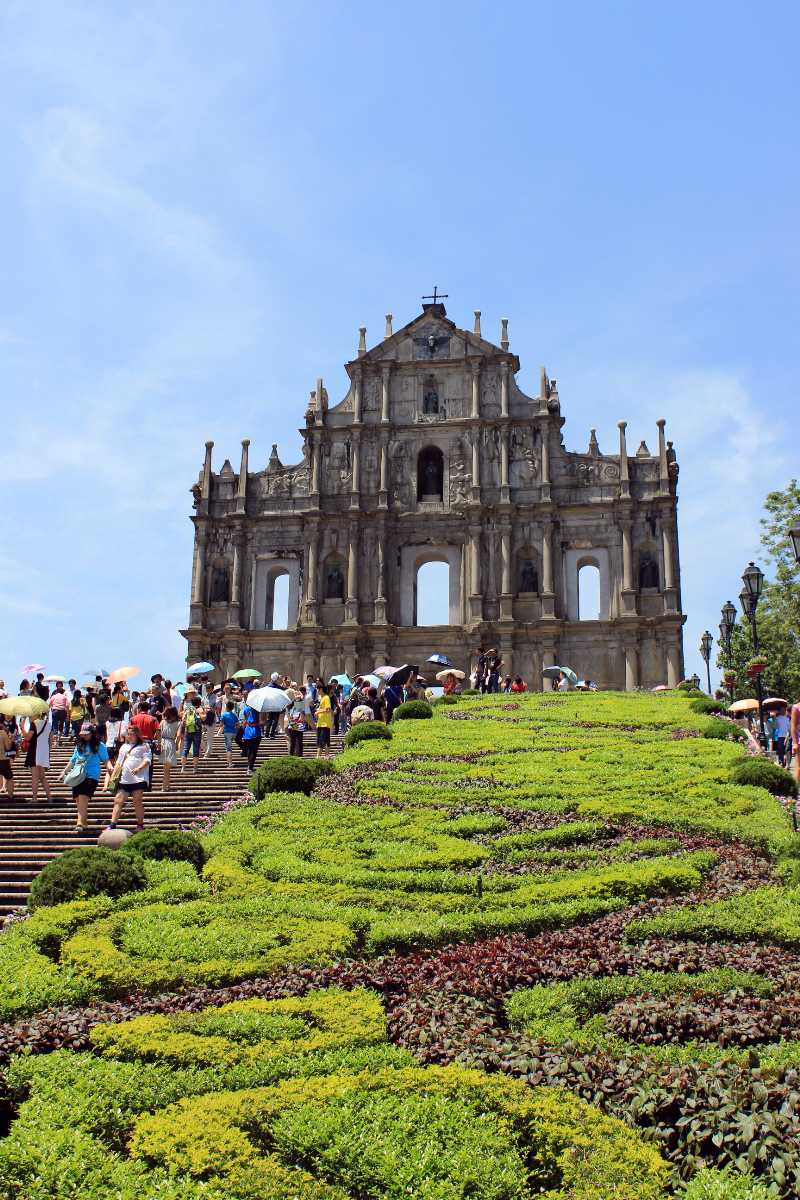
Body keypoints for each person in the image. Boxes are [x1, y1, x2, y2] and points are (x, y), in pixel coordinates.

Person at [62, 723, 109, 832]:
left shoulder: (99, 745)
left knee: (83, 797)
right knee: (78, 799)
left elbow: (106, 760)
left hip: (92, 775)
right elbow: (73, 760)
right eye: (83, 734)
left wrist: (110, 769)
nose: (84, 736)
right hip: (78, 775)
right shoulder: (79, 745)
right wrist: (64, 771)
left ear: (92, 733)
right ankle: (84, 822)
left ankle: (79, 822)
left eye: (86, 734)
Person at [107, 727, 150, 831]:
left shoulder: (144, 746)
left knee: (137, 801)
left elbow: (147, 760)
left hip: (139, 779)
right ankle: (112, 825)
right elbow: (119, 762)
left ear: (137, 735)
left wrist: (139, 768)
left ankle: (140, 824)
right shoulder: (123, 747)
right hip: (124, 778)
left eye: (131, 734)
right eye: (128, 734)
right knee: (118, 800)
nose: (129, 736)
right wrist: (112, 776)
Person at [24, 710, 52, 803]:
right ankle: (49, 797)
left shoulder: (34, 723)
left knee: (35, 776)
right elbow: (50, 740)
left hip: (35, 751)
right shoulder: (48, 724)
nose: (30, 716)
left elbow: (28, 738)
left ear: (37, 714)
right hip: (44, 752)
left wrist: (22, 727)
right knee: (42, 776)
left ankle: (35, 798)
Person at [158, 705, 180, 792]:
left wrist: (159, 743)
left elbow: (158, 732)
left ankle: (166, 785)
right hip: (171, 743)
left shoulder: (163, 721)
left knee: (166, 768)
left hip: (163, 742)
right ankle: (165, 786)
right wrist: (177, 744)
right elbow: (178, 736)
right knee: (167, 768)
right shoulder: (178, 723)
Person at [285, 688, 312, 757]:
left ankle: (298, 755)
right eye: (296, 695)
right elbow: (292, 715)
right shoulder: (291, 704)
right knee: (294, 741)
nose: (298, 696)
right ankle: (294, 755)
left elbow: (301, 715)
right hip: (294, 723)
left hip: (297, 724)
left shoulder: (298, 704)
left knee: (298, 741)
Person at [179, 700, 203, 772]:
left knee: (185, 749)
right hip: (197, 731)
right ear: (199, 703)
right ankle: (195, 768)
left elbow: (183, 720)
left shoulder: (187, 710)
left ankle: (183, 767)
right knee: (196, 749)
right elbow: (203, 718)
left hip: (188, 730)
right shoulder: (199, 709)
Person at [241, 701, 262, 771]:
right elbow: (262, 722)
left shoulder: (246, 709)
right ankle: (250, 767)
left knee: (249, 750)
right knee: (254, 751)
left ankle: (249, 766)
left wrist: (242, 731)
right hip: (256, 732)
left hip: (247, 732)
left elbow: (244, 721)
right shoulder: (259, 710)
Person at [315, 684, 333, 758]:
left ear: (321, 689)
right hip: (321, 723)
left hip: (324, 723)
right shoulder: (322, 698)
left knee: (321, 740)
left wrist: (318, 712)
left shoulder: (326, 697)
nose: (317, 691)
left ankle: (318, 756)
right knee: (325, 740)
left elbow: (328, 709)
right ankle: (326, 756)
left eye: (317, 689)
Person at [0, 717, 15, 800]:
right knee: (9, 778)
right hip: (3, 759)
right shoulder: (3, 733)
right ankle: (10, 796)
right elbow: (8, 747)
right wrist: (11, 739)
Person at [220, 701, 238, 766]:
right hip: (233, 732)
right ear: (232, 708)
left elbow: (221, 724)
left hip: (227, 732)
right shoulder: (234, 715)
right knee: (229, 747)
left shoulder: (224, 715)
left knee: (228, 748)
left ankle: (230, 763)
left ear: (226, 707)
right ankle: (228, 761)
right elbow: (237, 725)